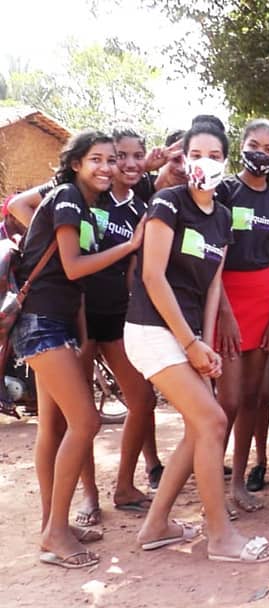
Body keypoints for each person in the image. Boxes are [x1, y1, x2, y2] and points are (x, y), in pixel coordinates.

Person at [124, 123, 269, 563]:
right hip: (152, 330)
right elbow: (152, 276)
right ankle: (220, 536)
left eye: (213, 155)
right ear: (184, 159)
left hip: (188, 336)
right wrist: (190, 344)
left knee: (199, 429)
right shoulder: (167, 203)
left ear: (224, 162)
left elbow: (212, 287)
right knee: (213, 421)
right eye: (196, 154)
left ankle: (156, 526)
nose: (204, 163)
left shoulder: (223, 218)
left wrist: (204, 348)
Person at [10, 131, 145, 569]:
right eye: (97, 160)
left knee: (53, 427)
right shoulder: (67, 197)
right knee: (85, 421)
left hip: (59, 324)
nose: (106, 167)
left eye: (111, 160)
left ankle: (54, 525)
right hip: (42, 324)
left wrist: (82, 332)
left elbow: (76, 283)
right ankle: (54, 532)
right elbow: (72, 267)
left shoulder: (86, 207)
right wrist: (129, 246)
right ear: (76, 164)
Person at [81, 128, 161, 516]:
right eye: (120, 156)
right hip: (77, 314)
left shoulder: (140, 208)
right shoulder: (85, 196)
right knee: (81, 413)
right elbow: (19, 206)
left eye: (137, 155)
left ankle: (125, 487)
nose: (129, 163)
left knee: (143, 398)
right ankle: (89, 496)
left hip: (116, 315)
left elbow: (133, 268)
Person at [213, 118, 269, 508]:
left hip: (264, 297)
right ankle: (213, 481)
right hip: (225, 295)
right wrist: (224, 312)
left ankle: (238, 484)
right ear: (241, 146)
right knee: (226, 401)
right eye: (254, 146)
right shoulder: (224, 190)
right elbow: (212, 255)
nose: (261, 154)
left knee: (251, 398)